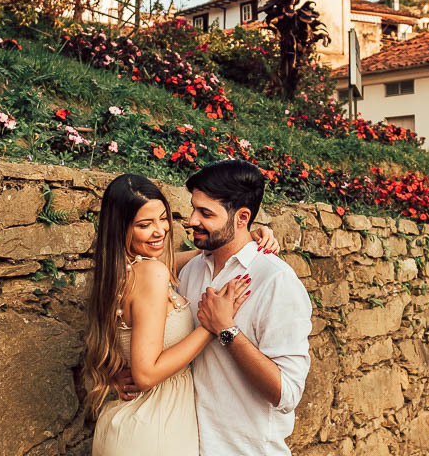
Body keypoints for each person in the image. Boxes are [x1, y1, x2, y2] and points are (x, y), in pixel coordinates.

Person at [115, 160, 313, 455]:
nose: (192, 220)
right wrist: (114, 373)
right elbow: (128, 293)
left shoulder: (275, 280)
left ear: (241, 217)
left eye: (206, 213)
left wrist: (227, 331)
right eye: (194, 208)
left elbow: (286, 393)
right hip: (187, 443)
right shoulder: (191, 270)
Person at [87, 173, 280, 456]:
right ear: (121, 229)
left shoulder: (120, 272)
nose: (160, 231)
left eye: (163, 218)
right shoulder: (151, 274)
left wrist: (243, 239)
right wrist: (212, 325)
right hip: (155, 430)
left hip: (127, 424)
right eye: (144, 224)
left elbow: (176, 262)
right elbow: (145, 374)